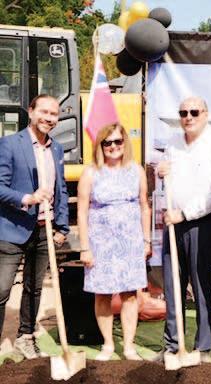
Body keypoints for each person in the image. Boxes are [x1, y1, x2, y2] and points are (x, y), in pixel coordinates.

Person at [156, 97, 211, 363]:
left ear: (205, 114)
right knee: (172, 284)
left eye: (194, 112)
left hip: (203, 223)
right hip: (173, 223)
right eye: (183, 112)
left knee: (201, 285)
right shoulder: (173, 144)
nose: (188, 117)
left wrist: (185, 213)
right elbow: (167, 182)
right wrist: (160, 174)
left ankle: (203, 348)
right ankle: (172, 346)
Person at [0, 94, 69, 359]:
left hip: (43, 230)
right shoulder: (9, 144)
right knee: (2, 289)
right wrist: (26, 198)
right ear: (31, 112)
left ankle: (26, 336)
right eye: (44, 112)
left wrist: (62, 226)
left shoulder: (57, 149)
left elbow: (61, 189)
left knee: (34, 287)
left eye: (54, 114)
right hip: (12, 229)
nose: (49, 118)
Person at [77, 123, 151, 361]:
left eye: (118, 141)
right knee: (102, 294)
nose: (113, 146)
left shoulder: (136, 170)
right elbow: (81, 212)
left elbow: (144, 206)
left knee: (130, 294)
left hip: (130, 241)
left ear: (124, 143)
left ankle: (129, 347)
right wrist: (85, 248)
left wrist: (146, 241)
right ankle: (108, 345)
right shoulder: (90, 173)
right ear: (100, 146)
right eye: (107, 143)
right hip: (101, 244)